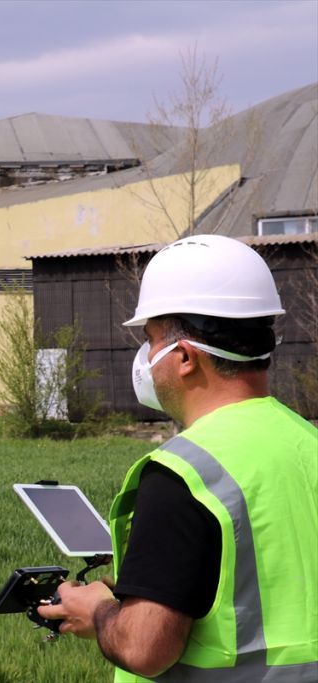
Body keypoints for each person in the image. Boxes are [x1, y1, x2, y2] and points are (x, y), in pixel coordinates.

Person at [37, 234, 318, 681]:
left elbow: (145, 647)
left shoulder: (184, 475)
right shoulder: (307, 441)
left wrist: (100, 611)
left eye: (150, 340)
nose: (146, 358)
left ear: (184, 357)